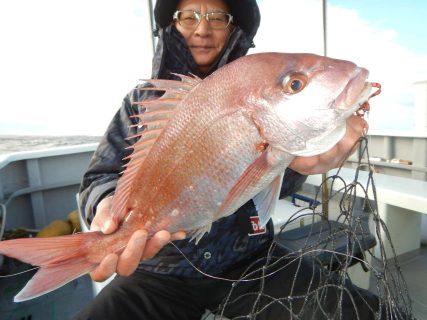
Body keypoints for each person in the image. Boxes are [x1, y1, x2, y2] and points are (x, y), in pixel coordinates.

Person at [75, 0, 377, 319]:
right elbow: (99, 178)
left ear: (234, 28)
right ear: (171, 27)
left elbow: (262, 184)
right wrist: (108, 206)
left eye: (217, 18)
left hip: (250, 262)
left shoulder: (256, 82)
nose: (202, 29)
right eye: (188, 17)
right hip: (157, 271)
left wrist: (298, 166)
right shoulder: (141, 103)